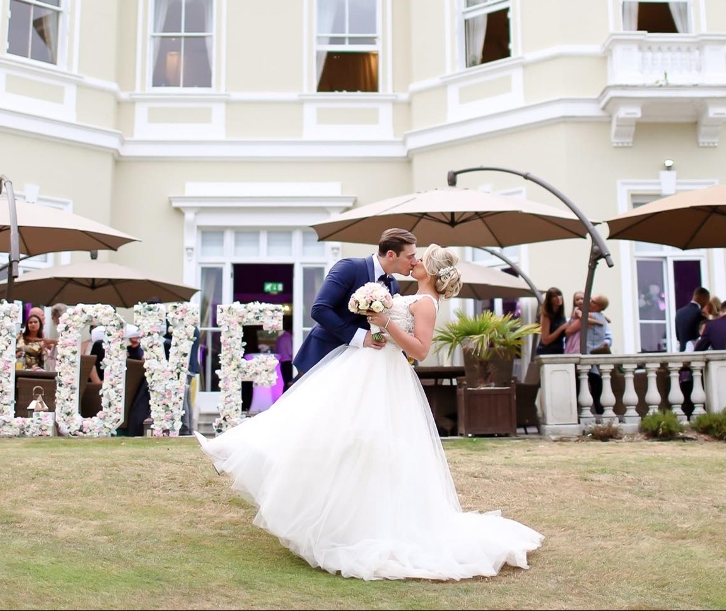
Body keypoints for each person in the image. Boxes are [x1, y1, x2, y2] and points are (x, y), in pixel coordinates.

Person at [197, 243, 542, 581]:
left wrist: (385, 322)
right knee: (316, 417)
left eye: (420, 259)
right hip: (366, 363)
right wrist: (374, 321)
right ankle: (240, 449)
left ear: (432, 272)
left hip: (385, 374)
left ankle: (358, 524)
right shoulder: (406, 292)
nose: (414, 261)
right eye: (413, 256)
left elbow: (419, 351)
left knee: (362, 439)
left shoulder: (426, 303)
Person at [293, 228, 417, 376]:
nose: (414, 262)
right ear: (391, 255)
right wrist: (360, 336)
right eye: (410, 256)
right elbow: (320, 309)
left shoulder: (393, 284)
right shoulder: (349, 267)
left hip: (357, 367)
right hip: (323, 356)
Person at [675, 288, 710, 352]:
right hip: (695, 353)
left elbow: (678, 336)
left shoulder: (679, 312)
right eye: (707, 300)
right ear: (704, 298)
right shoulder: (700, 313)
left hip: (682, 352)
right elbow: (703, 335)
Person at [536, 287, 568, 356]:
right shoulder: (546, 315)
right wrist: (561, 328)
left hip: (559, 350)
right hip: (546, 352)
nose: (558, 298)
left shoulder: (561, 315)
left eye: (559, 295)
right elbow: (545, 340)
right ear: (549, 300)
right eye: (554, 296)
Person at [275, 327, 294, 392]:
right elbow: (290, 352)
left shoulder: (280, 338)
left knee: (286, 382)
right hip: (289, 362)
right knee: (290, 383)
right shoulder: (288, 338)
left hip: (282, 362)